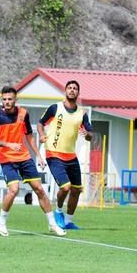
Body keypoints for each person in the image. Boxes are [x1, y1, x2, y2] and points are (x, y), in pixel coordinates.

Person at [0, 86, 66, 237]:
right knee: (14, 189)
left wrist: (39, 156)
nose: (7, 102)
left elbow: (29, 136)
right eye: (4, 99)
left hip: (24, 157)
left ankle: (52, 224)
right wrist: (8, 144)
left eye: (10, 99)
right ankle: (1, 221)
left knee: (39, 190)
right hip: (7, 159)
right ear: (1, 100)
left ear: (16, 100)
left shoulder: (24, 113)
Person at [37, 80, 93, 230]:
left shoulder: (82, 114)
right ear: (65, 91)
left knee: (76, 189)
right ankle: (58, 211)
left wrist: (87, 134)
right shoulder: (55, 108)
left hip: (70, 156)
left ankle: (68, 221)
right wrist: (42, 135)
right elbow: (40, 123)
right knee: (66, 187)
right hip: (54, 154)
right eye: (70, 88)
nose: (72, 90)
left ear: (78, 93)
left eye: (75, 88)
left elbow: (90, 135)